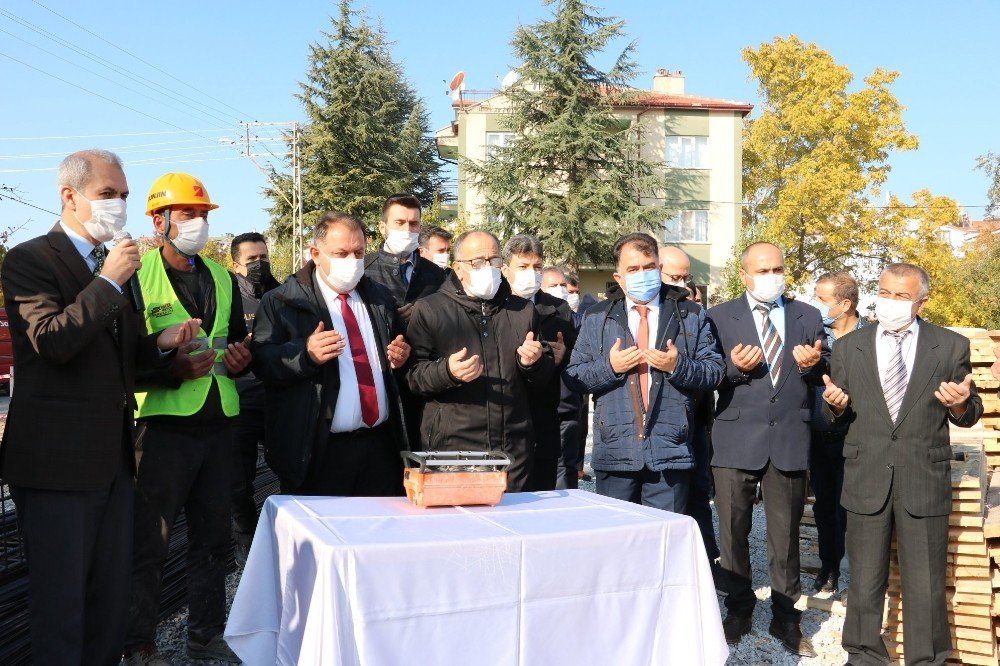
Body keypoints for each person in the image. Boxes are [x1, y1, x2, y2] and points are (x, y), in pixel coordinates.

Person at [0, 150, 198, 666]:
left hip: (114, 462)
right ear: (70, 196)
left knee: (110, 600)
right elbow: (51, 341)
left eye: (124, 195)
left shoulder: (116, 265)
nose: (119, 205)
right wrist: (107, 283)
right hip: (56, 466)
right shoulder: (30, 260)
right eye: (108, 194)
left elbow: (120, 359)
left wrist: (163, 348)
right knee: (62, 605)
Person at [822, 263, 982, 666]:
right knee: (864, 580)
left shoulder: (950, 346)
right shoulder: (848, 347)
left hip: (923, 477)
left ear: (921, 302)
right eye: (885, 293)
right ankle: (863, 655)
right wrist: (834, 408)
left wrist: (960, 405)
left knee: (925, 583)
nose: (890, 302)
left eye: (901, 296)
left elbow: (969, 411)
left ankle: (926, 659)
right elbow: (834, 418)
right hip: (866, 475)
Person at [124, 172, 251, 664]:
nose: (197, 222)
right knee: (150, 542)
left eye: (202, 214)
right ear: (159, 221)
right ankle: (138, 645)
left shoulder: (222, 277)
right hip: (162, 429)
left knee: (212, 539)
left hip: (218, 423)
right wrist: (169, 368)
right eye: (187, 214)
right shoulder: (136, 277)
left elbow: (234, 341)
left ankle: (205, 635)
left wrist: (242, 359)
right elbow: (122, 359)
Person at [707, 241, 828, 657]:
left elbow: (824, 371)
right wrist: (734, 369)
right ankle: (738, 609)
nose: (772, 277)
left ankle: (786, 618)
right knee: (732, 533)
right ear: (744, 275)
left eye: (777, 269)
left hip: (790, 438)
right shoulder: (719, 317)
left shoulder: (807, 315)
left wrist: (814, 366)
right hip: (736, 439)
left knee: (785, 537)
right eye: (762, 271)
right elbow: (707, 375)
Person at [251, 213, 411, 495]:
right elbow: (263, 362)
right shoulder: (281, 301)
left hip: (380, 448)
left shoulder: (379, 297)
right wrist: (305, 355)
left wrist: (402, 354)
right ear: (316, 253)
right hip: (318, 451)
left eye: (358, 252)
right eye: (341, 253)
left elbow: (399, 347)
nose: (352, 261)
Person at [564, 233, 724, 511]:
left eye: (649, 267)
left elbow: (714, 371)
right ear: (619, 278)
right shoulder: (596, 317)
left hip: (670, 450)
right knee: (617, 533)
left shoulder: (689, 314)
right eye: (633, 269)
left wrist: (678, 366)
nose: (642, 274)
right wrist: (610, 367)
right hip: (616, 452)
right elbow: (575, 376)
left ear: (659, 269)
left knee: (663, 534)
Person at [405, 230, 554, 491]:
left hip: (512, 450)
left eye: (493, 260)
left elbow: (543, 378)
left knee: (512, 515)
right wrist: (447, 372)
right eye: (477, 262)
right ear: (458, 268)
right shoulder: (430, 309)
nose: (487, 268)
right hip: (453, 448)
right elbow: (413, 376)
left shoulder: (522, 310)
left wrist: (533, 363)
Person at [659, 246, 721, 580]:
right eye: (675, 277)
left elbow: (712, 369)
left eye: (686, 278)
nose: (681, 284)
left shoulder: (696, 316)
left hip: (695, 421)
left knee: (698, 495)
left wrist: (679, 365)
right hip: (659, 427)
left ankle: (708, 563)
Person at [500, 236, 576, 491]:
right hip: (503, 419)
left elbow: (577, 361)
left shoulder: (558, 309)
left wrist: (563, 356)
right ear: (505, 269)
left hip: (543, 420)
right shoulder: (493, 306)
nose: (531, 273)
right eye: (523, 267)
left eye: (537, 267)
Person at [808, 271, 865, 594]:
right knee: (825, 506)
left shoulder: (871, 337)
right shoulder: (815, 337)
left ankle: (858, 574)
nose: (815, 304)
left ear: (844, 304)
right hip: (820, 437)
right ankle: (828, 566)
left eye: (821, 299)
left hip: (857, 437)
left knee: (854, 509)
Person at [228, 232, 280, 567]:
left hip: (277, 398)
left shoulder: (282, 293)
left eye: (264, 257)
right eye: (251, 260)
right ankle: (245, 542)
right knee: (239, 480)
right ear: (236, 265)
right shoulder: (228, 296)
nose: (260, 265)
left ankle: (285, 536)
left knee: (288, 469)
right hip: (241, 400)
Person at [364, 193, 447, 323]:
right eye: (399, 223)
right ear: (382, 228)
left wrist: (422, 315)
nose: (407, 230)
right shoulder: (364, 268)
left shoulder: (435, 273)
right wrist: (391, 317)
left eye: (413, 224)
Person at [540, 265, 584, 489]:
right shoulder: (528, 314)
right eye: (553, 285)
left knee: (564, 470)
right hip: (537, 409)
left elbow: (583, 357)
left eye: (563, 285)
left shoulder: (571, 317)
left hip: (566, 406)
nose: (561, 290)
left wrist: (565, 353)